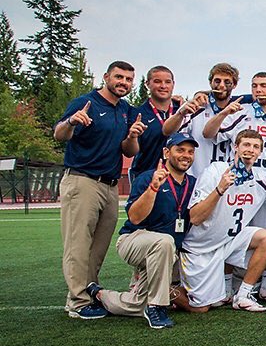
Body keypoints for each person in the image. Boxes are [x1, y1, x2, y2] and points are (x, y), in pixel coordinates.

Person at [54, 60, 146, 319]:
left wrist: (133, 136)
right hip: (83, 180)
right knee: (78, 243)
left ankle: (88, 292)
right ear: (106, 77)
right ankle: (77, 302)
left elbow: (129, 151)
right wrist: (72, 121)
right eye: (119, 77)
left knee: (99, 245)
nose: (124, 83)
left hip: (110, 184)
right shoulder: (86, 103)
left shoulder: (126, 110)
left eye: (128, 79)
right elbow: (59, 135)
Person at [88, 132, 196, 329]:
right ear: (166, 152)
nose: (186, 155)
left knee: (138, 303)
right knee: (164, 241)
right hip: (134, 240)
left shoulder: (193, 184)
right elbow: (135, 217)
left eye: (190, 151)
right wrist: (153, 188)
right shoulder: (147, 177)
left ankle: (100, 295)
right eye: (180, 150)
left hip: (166, 253)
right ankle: (157, 306)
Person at [176, 129, 266, 313]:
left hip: (228, 242)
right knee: (200, 308)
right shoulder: (215, 171)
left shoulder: (261, 177)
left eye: (256, 147)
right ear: (235, 147)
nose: (250, 150)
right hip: (200, 248)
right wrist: (220, 189)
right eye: (246, 144)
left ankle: (243, 295)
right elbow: (195, 217)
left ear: (261, 152)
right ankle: (164, 290)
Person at [203, 71, 266, 177]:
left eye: (264, 86)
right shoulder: (240, 112)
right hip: (236, 179)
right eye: (254, 86)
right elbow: (208, 134)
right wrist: (224, 113)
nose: (258, 90)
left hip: (264, 184)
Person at [128, 65, 203, 180]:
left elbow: (214, 95)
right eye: (157, 82)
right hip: (146, 175)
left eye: (167, 82)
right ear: (147, 84)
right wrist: (132, 137)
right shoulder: (137, 113)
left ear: (173, 84)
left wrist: (200, 93)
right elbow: (130, 151)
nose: (163, 86)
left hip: (178, 178)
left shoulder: (185, 109)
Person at [186, 63, 242, 177]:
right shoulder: (197, 107)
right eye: (217, 81)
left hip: (225, 178)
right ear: (210, 82)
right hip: (196, 175)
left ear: (234, 85)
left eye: (227, 82)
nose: (221, 86)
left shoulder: (240, 109)